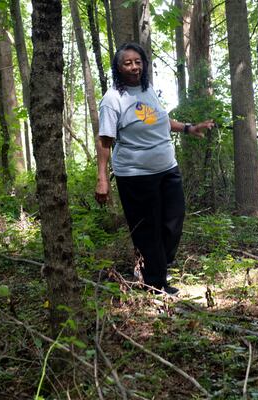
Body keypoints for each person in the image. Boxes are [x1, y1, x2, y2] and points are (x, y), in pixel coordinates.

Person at [95, 42, 214, 295]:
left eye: (138, 61)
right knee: (148, 228)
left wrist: (189, 128)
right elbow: (105, 140)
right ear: (118, 67)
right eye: (127, 62)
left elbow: (159, 120)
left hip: (167, 168)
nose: (134, 67)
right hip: (135, 174)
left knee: (173, 221)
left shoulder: (147, 90)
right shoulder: (112, 99)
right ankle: (156, 284)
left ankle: (152, 265)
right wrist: (102, 178)